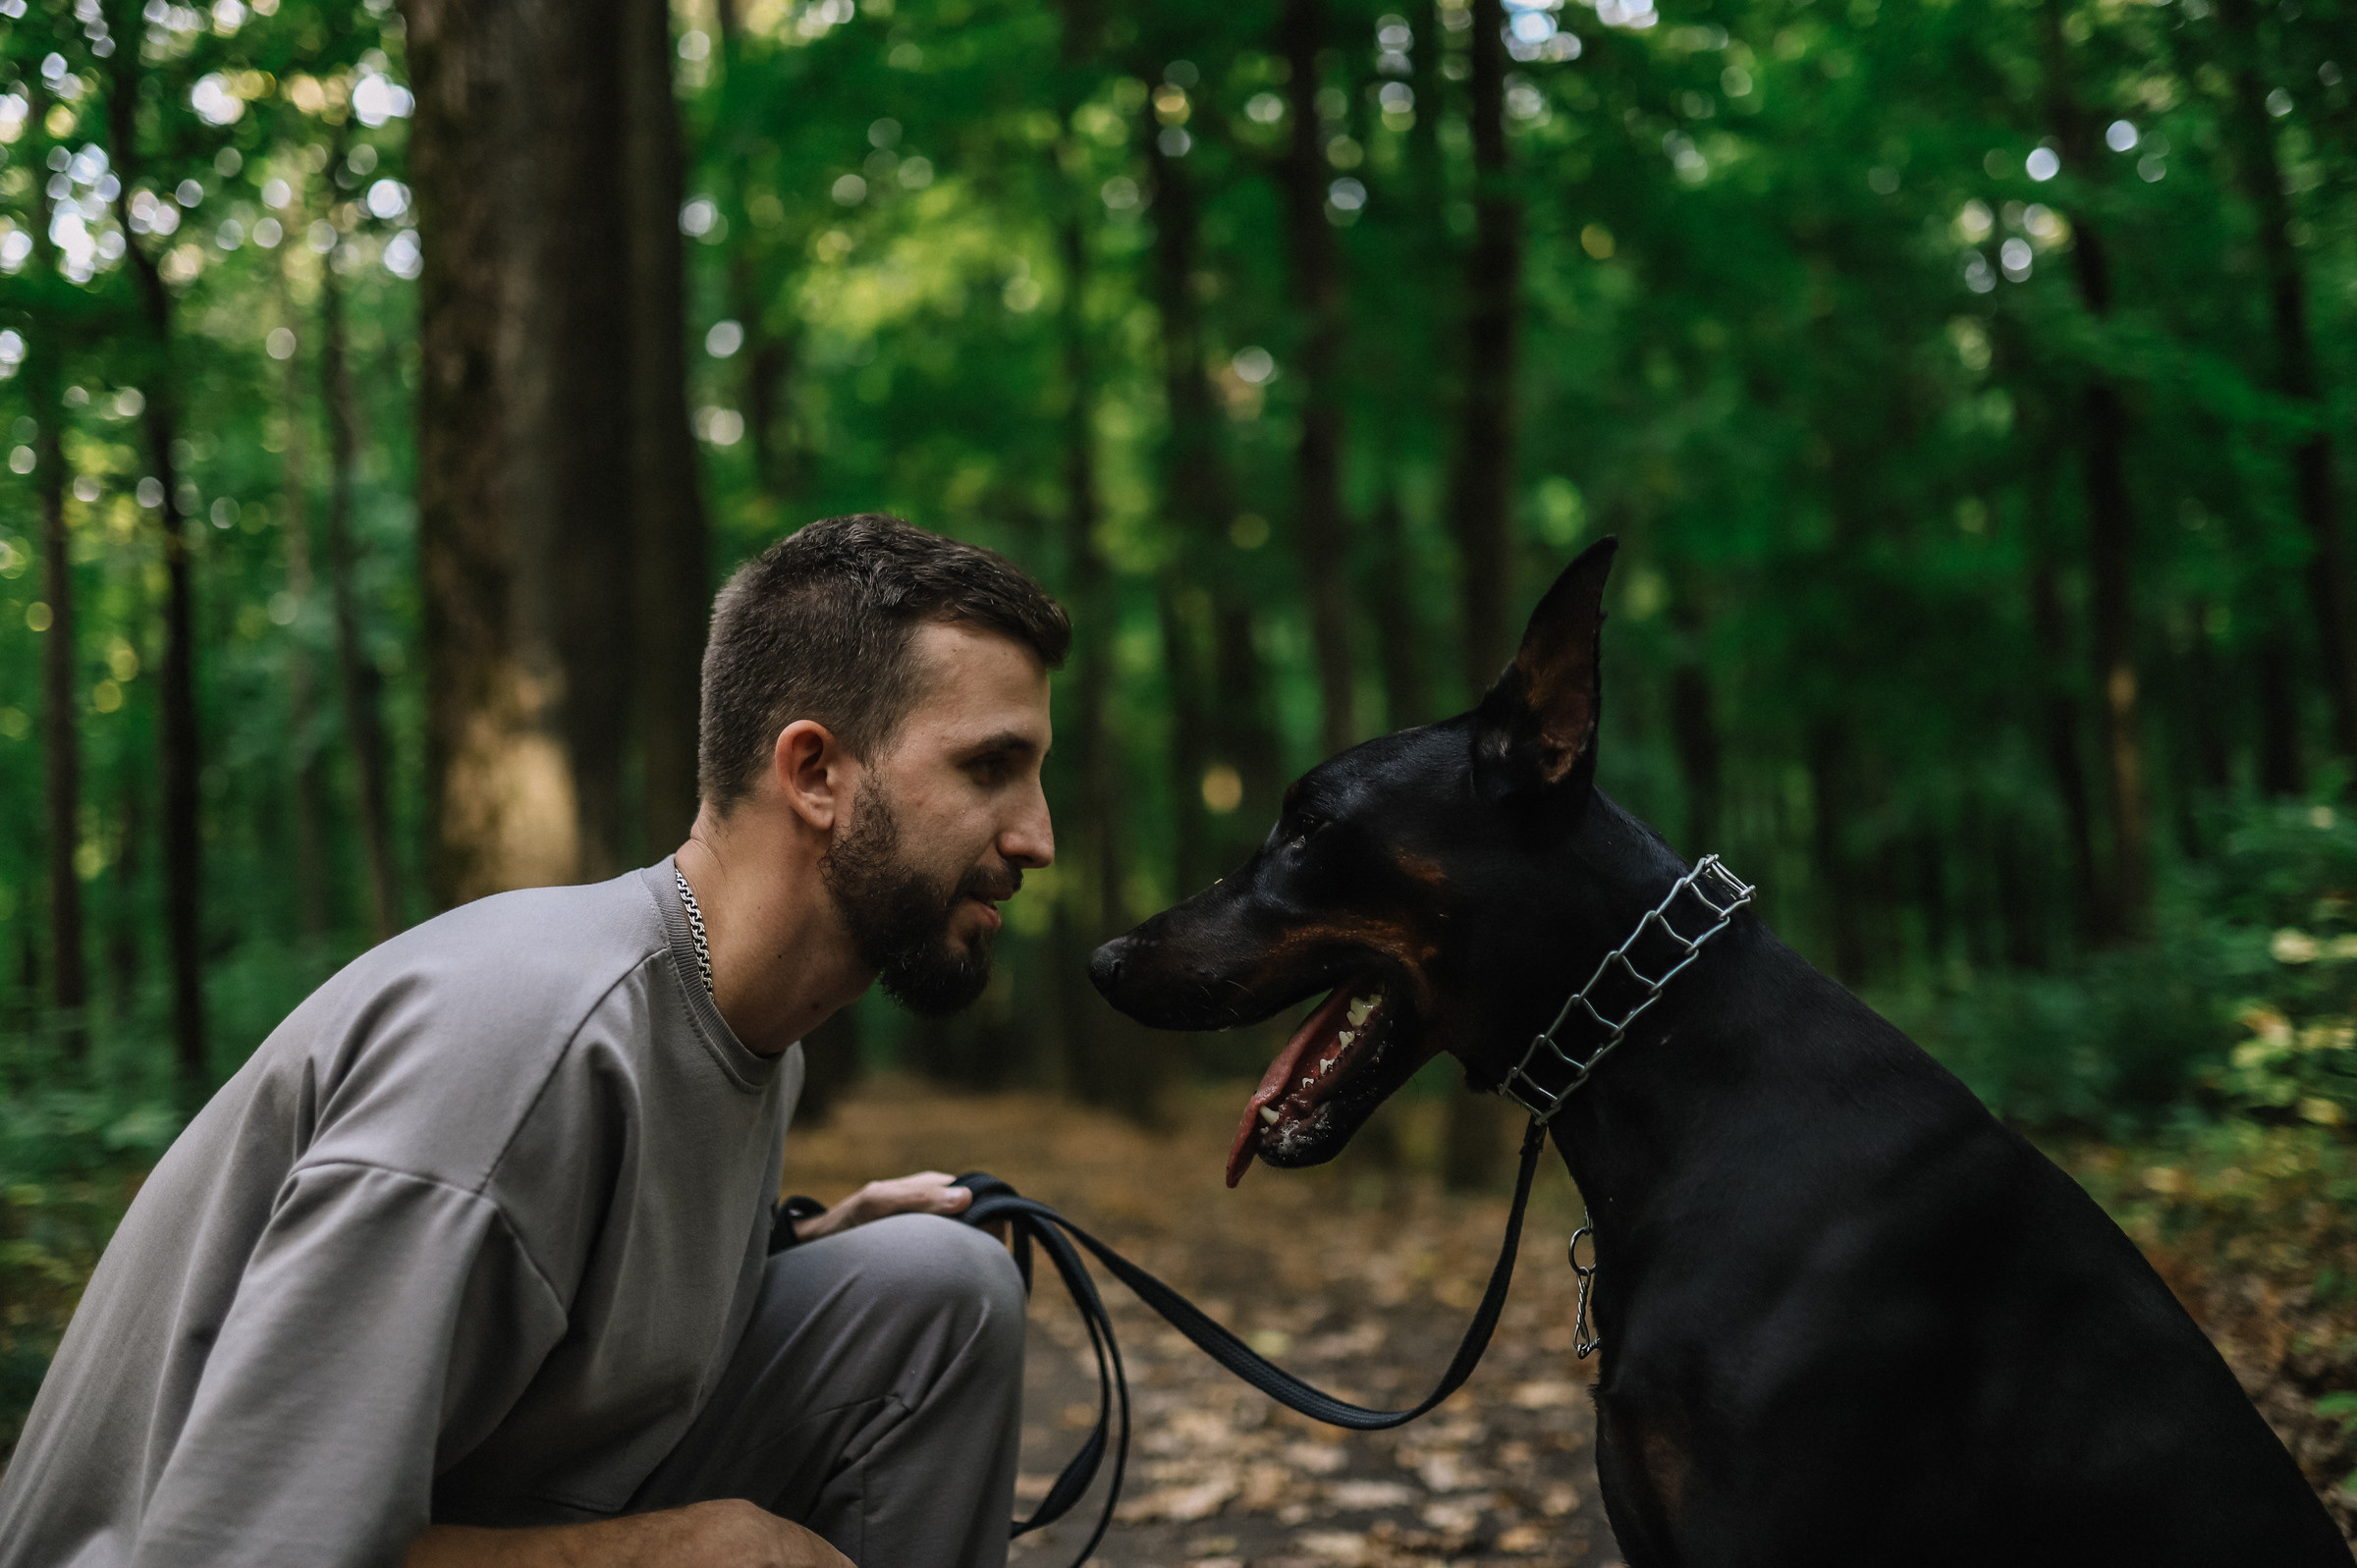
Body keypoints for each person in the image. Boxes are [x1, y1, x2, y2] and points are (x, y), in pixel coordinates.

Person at [0, 514, 1070, 1568]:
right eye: (989, 768)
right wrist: (664, 1553)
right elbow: (241, 1544)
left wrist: (775, 1256)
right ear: (815, 773)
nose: (1038, 836)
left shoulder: (750, 1032)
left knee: (933, 1286)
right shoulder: (522, 1046)